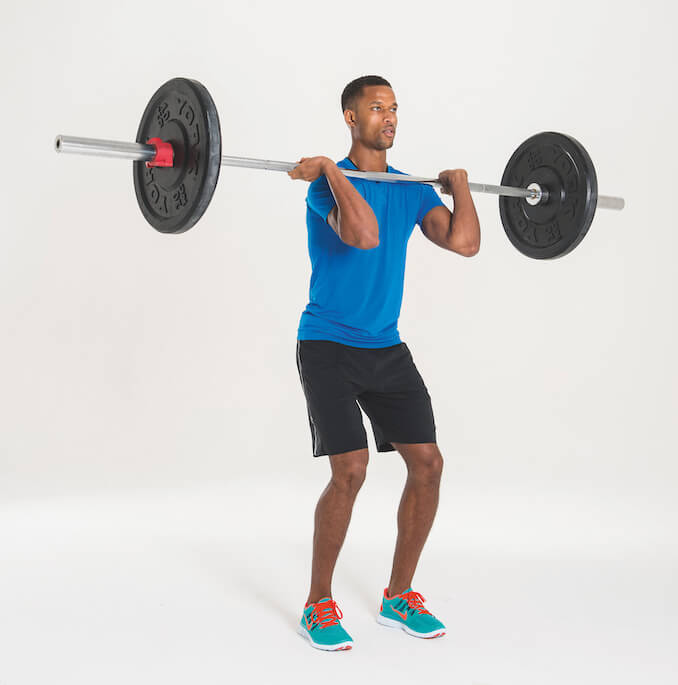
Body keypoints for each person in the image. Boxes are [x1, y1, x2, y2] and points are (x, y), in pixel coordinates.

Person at [288, 75, 480, 651]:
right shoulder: (325, 189)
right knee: (350, 471)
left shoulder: (410, 188)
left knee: (429, 464)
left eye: (394, 108)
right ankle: (318, 604)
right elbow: (364, 235)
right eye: (377, 108)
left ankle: (399, 595)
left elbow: (466, 243)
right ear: (351, 117)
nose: (389, 117)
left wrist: (461, 188)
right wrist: (328, 170)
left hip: (385, 347)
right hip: (326, 346)